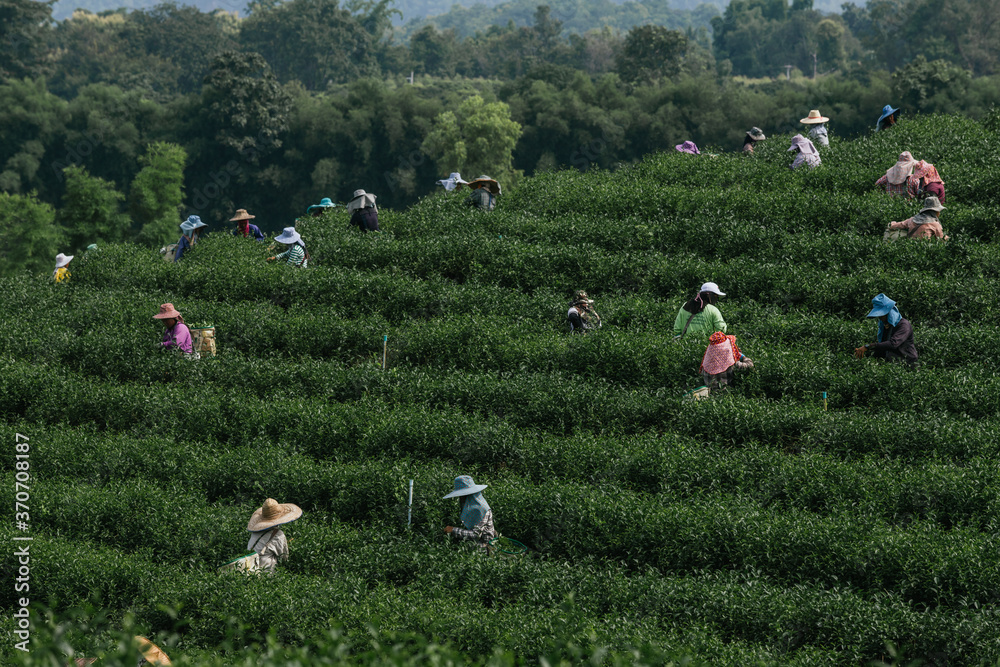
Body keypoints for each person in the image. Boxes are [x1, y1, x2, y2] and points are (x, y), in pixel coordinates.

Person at [854, 293, 918, 367]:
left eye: (882, 315)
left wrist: (868, 346)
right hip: (893, 365)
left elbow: (893, 344)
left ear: (889, 313)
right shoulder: (885, 326)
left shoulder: (903, 325)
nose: (880, 318)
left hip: (908, 365)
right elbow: (883, 347)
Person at [246, 497, 302, 574]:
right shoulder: (278, 534)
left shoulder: (255, 532)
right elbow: (284, 557)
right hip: (267, 573)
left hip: (251, 570)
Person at [443, 475, 496, 548]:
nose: (460, 498)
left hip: (484, 545)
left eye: (462, 495)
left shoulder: (481, 509)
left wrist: (453, 530)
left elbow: (476, 535)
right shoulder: (470, 505)